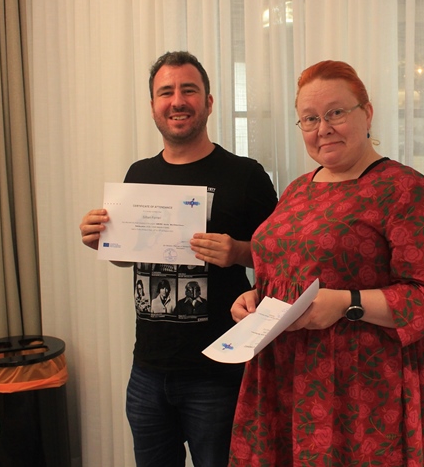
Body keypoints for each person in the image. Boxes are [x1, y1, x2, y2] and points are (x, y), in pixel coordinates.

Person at [229, 60, 424, 466]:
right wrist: (255, 298)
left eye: (336, 112)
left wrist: (348, 303)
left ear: (366, 113)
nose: (323, 128)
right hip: (282, 377)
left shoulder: (406, 191)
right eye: (310, 119)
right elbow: (289, 270)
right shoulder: (297, 190)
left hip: (360, 391)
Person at [79, 51, 277, 467]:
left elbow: (283, 261)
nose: (177, 101)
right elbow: (130, 260)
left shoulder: (246, 175)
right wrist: (104, 243)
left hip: (219, 371)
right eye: (165, 92)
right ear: (153, 105)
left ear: (209, 101)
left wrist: (238, 252)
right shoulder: (138, 175)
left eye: (189, 90)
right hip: (147, 371)